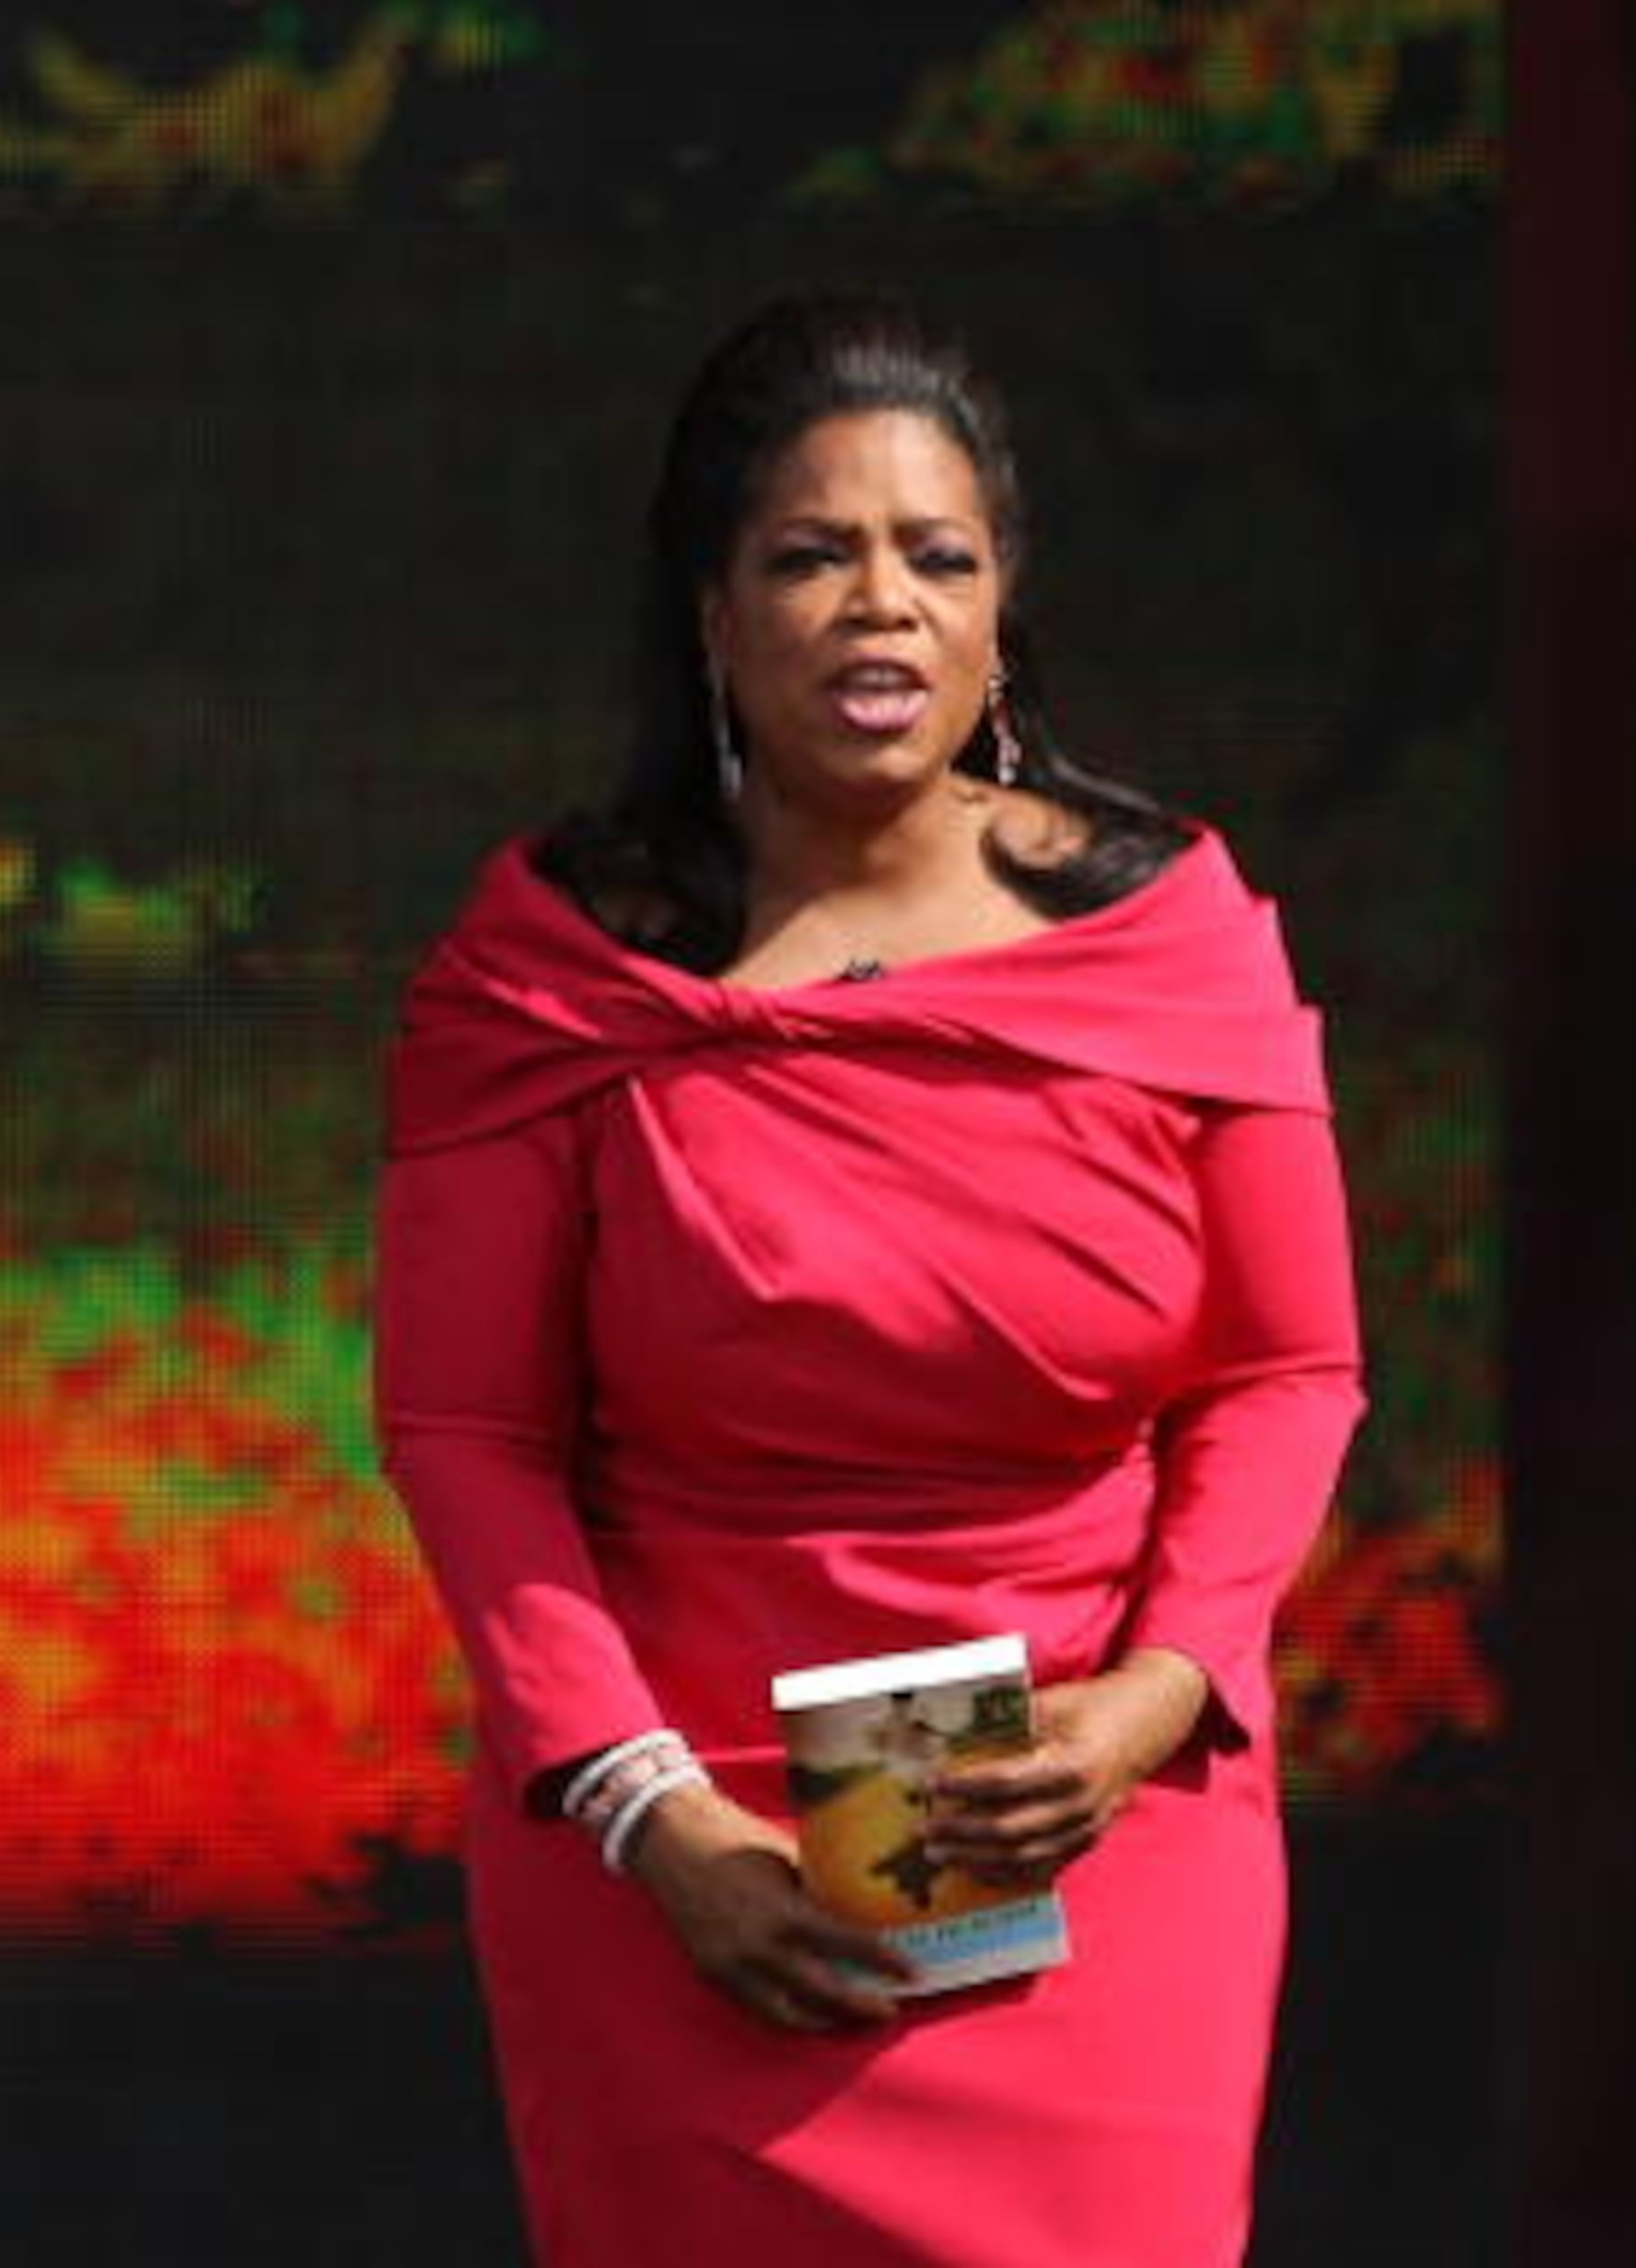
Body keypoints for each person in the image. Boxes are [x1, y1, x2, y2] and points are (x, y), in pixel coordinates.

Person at [373, 293, 1362, 2266]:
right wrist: (655, 1815)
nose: (881, 606)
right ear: (715, 617)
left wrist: (1151, 1703)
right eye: (812, 557)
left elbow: (1289, 1374)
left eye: (938, 557)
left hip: (1086, 1809)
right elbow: (463, 1430)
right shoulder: (560, 968)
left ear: (1002, 618)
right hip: (678, 1844)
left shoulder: (1170, 937)